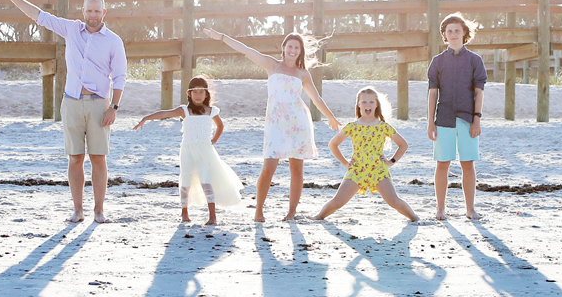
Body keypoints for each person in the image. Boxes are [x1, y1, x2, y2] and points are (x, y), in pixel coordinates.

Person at [0, 0, 126, 223]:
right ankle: (78, 210)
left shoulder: (114, 41)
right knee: (75, 157)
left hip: (99, 105)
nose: (93, 15)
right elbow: (40, 16)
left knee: (98, 158)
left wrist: (113, 108)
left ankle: (98, 210)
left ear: (104, 13)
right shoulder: (72, 29)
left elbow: (119, 77)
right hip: (72, 101)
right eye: (89, 10)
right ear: (83, 11)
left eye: (98, 11)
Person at [199, 27, 339, 222]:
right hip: (275, 124)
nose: (292, 50)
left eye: (296, 48)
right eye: (290, 46)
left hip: (298, 124)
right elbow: (246, 50)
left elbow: (316, 99)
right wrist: (222, 36)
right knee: (268, 167)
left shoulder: (303, 74)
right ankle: (258, 211)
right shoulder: (272, 65)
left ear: (300, 51)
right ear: (283, 48)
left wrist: (331, 117)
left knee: (296, 170)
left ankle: (291, 213)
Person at [134, 76, 242, 225]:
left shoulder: (211, 111)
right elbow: (165, 113)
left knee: (206, 181)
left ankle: (212, 216)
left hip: (205, 150)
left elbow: (220, 126)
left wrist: (214, 140)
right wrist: (146, 118)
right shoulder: (184, 110)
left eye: (201, 92)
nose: (198, 95)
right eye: (194, 92)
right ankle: (184, 212)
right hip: (187, 149)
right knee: (186, 180)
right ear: (189, 93)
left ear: (206, 94)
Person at [315, 87, 417, 222]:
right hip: (357, 170)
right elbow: (333, 144)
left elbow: (403, 145)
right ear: (358, 104)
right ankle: (318, 217)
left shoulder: (383, 127)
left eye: (371, 102)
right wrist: (345, 162)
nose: (367, 105)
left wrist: (391, 161)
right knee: (338, 201)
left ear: (376, 105)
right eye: (364, 102)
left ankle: (416, 219)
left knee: (394, 201)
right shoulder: (352, 126)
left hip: (378, 169)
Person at [427, 12, 487, 221]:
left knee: (467, 164)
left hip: (467, 120)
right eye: (449, 31)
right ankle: (440, 209)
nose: (453, 34)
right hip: (443, 119)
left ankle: (470, 210)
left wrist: (476, 120)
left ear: (464, 33)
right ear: (445, 34)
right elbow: (433, 93)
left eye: (457, 31)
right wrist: (430, 122)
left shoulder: (474, 61)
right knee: (442, 164)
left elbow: (479, 92)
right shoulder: (437, 62)